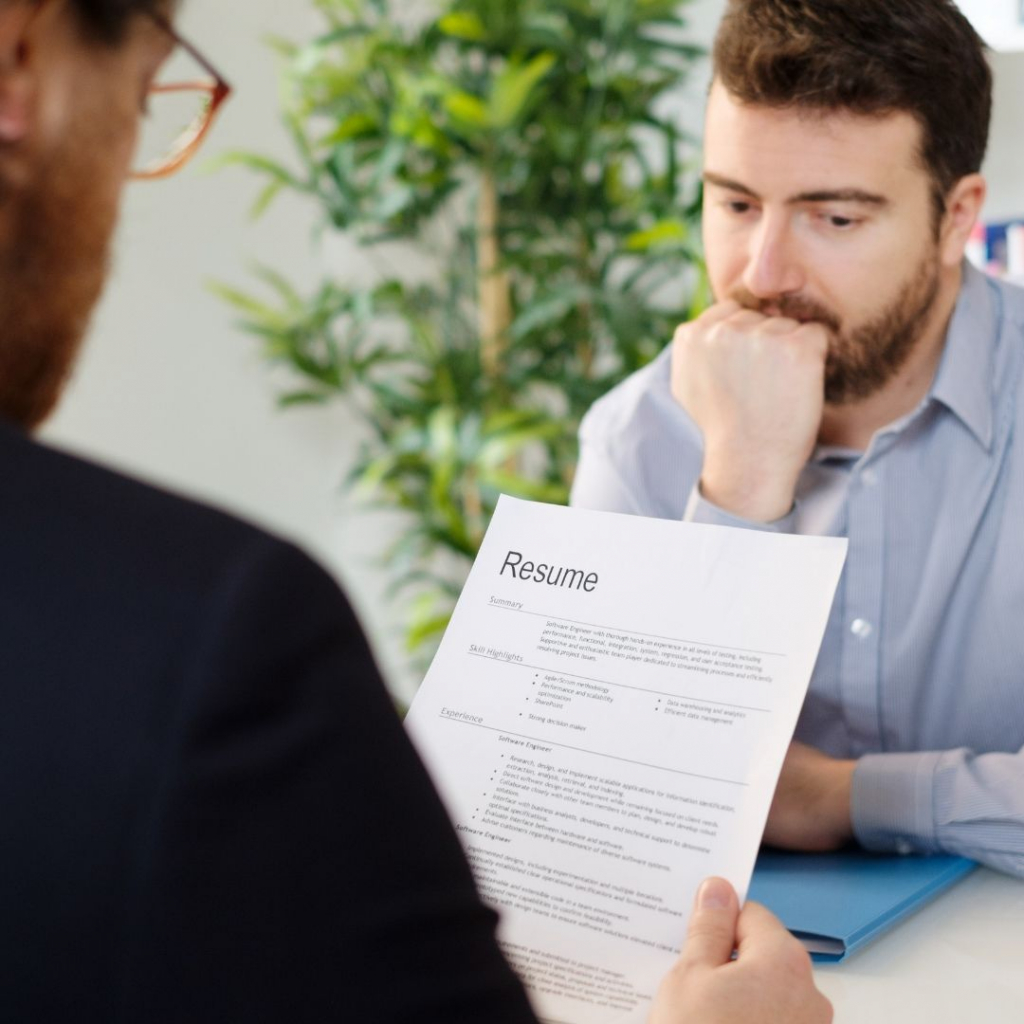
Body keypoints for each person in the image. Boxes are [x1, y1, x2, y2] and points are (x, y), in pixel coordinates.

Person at [0, 1, 832, 1021]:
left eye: (836, 215)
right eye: (142, 101)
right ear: (19, 60)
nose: (763, 272)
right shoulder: (220, 638)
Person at [572, 0, 1024, 877]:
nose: (762, 275)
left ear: (956, 217)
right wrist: (740, 484)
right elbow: (613, 813)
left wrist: (838, 796)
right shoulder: (637, 439)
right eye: (736, 204)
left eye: (836, 219)